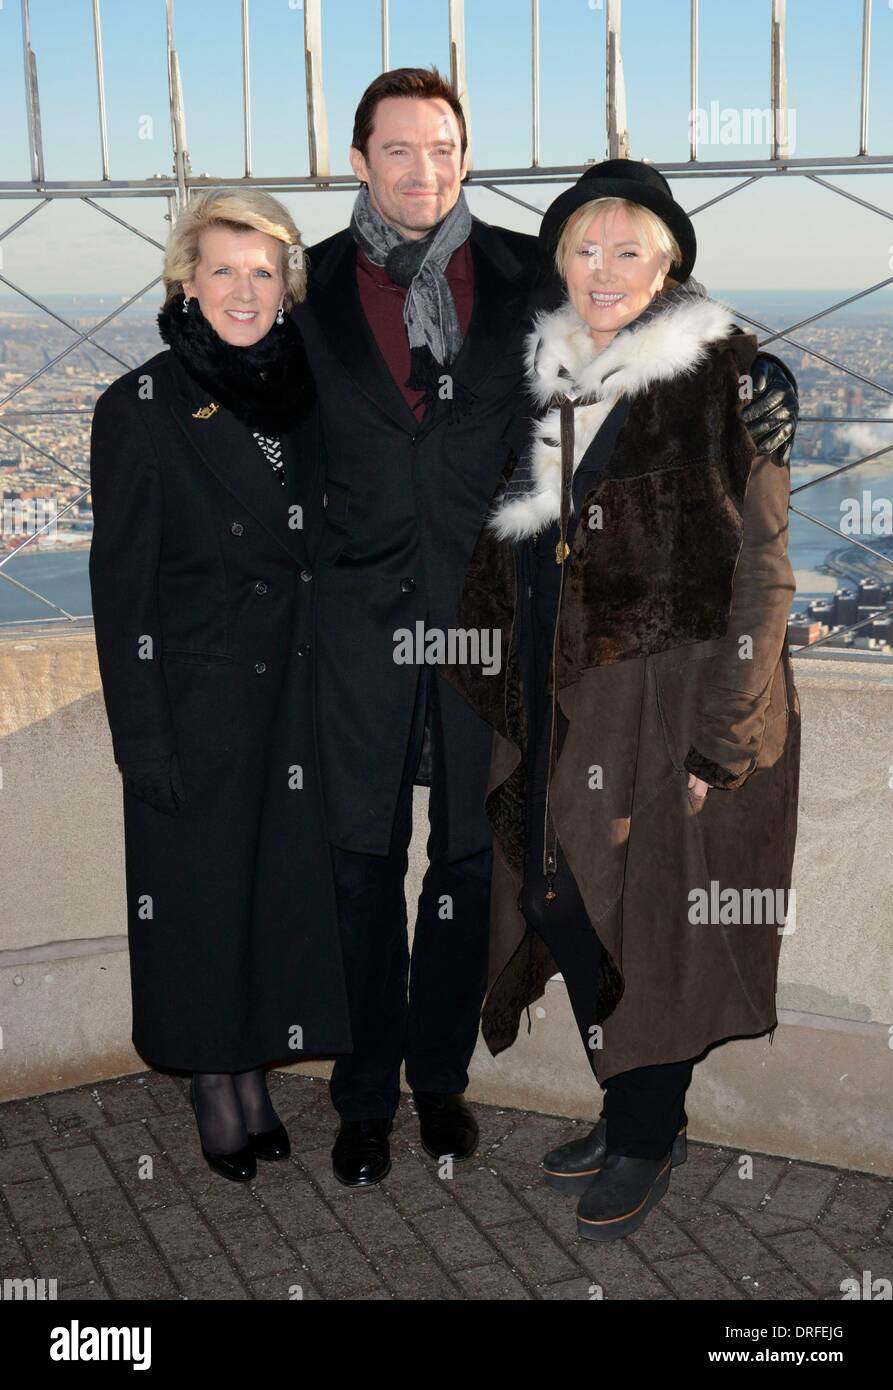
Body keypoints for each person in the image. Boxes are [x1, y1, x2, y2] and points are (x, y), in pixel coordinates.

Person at [294, 70, 800, 1189]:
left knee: (474, 868)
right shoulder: (306, 286)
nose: (422, 170)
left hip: (495, 648)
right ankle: (364, 1098)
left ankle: (438, 1085)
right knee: (359, 871)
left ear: (464, 156)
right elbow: (242, 382)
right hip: (359, 637)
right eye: (397, 150)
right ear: (359, 158)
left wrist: (765, 376)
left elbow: (660, 320)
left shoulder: (533, 265)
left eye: (442, 147)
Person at [442, 159, 801, 1242]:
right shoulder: (544, 373)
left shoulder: (724, 381)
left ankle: (643, 1127)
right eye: (582, 250)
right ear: (558, 263)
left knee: (648, 920)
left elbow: (766, 572)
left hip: (672, 706)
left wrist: (723, 739)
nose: (602, 270)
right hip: (556, 689)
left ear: (670, 263)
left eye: (627, 249)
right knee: (562, 895)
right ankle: (635, 1108)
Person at [89, 188, 350, 1183]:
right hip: (195, 706)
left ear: (287, 286)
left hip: (291, 698)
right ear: (185, 283)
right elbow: (123, 593)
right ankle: (214, 1078)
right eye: (222, 269)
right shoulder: (142, 408)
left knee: (266, 897)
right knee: (200, 902)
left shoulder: (310, 393)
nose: (244, 289)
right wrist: (141, 738)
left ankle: (247, 1066)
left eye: (263, 269)